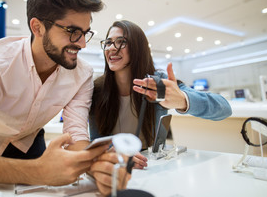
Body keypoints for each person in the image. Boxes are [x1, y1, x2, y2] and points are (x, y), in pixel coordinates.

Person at [0, 0, 128, 195]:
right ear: (37, 27)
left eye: (85, 33)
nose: (82, 44)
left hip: (31, 144)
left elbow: (76, 134)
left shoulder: (83, 73)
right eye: (72, 32)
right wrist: (38, 171)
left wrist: (96, 166)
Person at [89, 20, 232, 169]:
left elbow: (224, 108)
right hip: (113, 170)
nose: (111, 48)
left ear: (138, 48)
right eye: (108, 42)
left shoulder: (158, 83)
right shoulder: (97, 89)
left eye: (121, 42)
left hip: (151, 167)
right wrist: (112, 153)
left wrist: (183, 100)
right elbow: (94, 143)